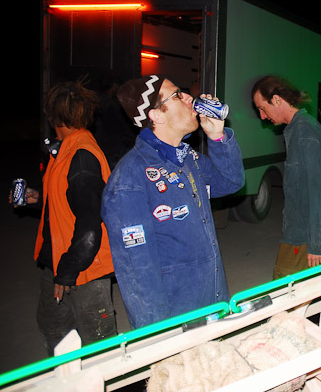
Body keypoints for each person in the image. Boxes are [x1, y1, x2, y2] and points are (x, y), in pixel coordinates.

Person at [102, 75, 244, 328]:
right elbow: (137, 273)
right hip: (176, 318)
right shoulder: (130, 178)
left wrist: (218, 137)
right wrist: (157, 335)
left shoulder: (187, 158)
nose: (190, 97)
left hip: (213, 302)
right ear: (156, 115)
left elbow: (230, 182)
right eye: (178, 95)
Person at [24, 81, 117, 355]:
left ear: (54, 116)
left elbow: (90, 223)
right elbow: (68, 199)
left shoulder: (82, 156)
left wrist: (66, 272)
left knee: (99, 344)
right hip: (58, 262)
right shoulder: (65, 149)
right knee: (53, 326)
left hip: (82, 269)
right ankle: (69, 378)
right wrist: (37, 198)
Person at [251, 75, 321, 279]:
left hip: (305, 238)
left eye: (262, 108)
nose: (262, 116)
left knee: (283, 296)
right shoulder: (297, 130)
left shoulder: (305, 133)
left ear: (276, 100)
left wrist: (315, 244)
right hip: (300, 233)